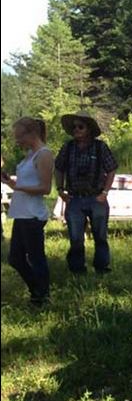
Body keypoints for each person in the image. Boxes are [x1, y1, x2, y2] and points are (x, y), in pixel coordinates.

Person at [54, 110, 118, 274]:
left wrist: (105, 192)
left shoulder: (100, 147)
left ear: (89, 129)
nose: (76, 130)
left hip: (96, 198)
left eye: (80, 127)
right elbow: (59, 168)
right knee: (75, 239)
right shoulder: (67, 148)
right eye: (74, 127)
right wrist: (60, 189)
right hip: (74, 199)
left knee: (100, 237)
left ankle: (102, 268)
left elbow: (111, 169)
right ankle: (77, 269)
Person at [2, 117, 53, 306]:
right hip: (21, 213)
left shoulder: (44, 155)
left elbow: (45, 188)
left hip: (33, 215)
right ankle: (37, 290)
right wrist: (10, 182)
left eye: (19, 137)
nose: (17, 141)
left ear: (32, 133)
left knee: (36, 257)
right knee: (15, 258)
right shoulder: (30, 155)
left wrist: (20, 186)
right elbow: (25, 184)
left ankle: (42, 296)